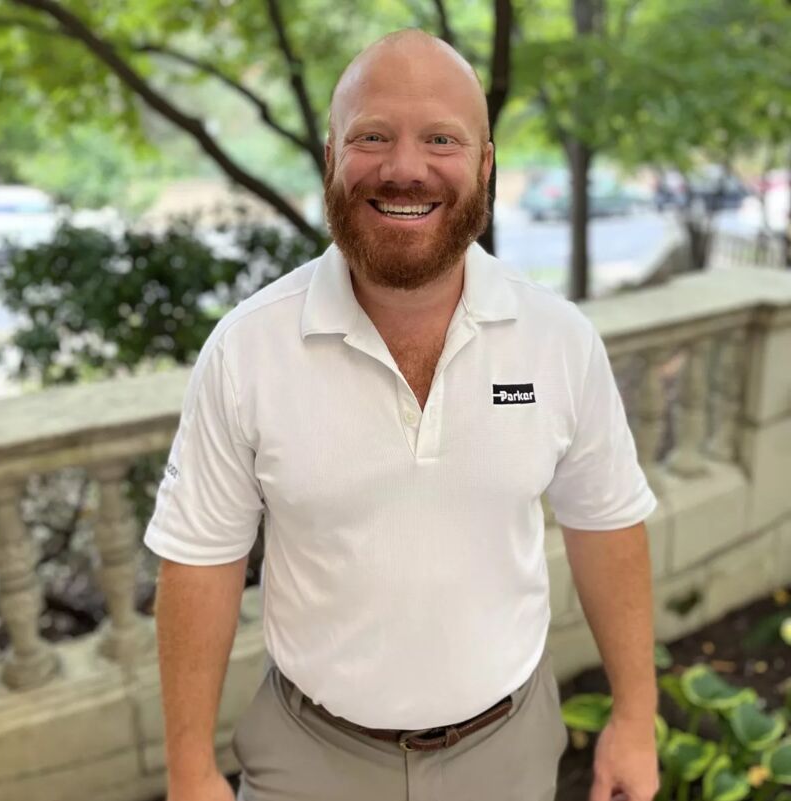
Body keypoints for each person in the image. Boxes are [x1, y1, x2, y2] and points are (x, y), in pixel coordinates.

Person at [143, 28, 661, 801]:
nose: (405, 167)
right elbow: (199, 559)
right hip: (307, 756)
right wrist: (189, 769)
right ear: (330, 158)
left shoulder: (560, 340)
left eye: (441, 139)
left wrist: (635, 716)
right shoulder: (247, 350)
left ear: (486, 163)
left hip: (508, 749)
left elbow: (607, 525)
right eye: (373, 136)